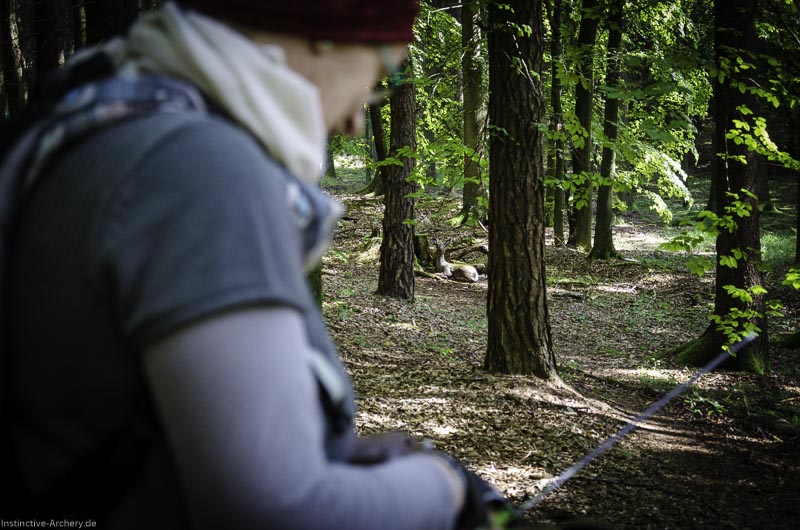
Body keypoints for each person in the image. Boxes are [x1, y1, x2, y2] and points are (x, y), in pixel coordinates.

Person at [0, 1, 515, 529]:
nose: (357, 120)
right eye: (380, 74)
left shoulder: (95, 123)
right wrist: (445, 486)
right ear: (327, 32)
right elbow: (275, 513)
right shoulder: (200, 168)